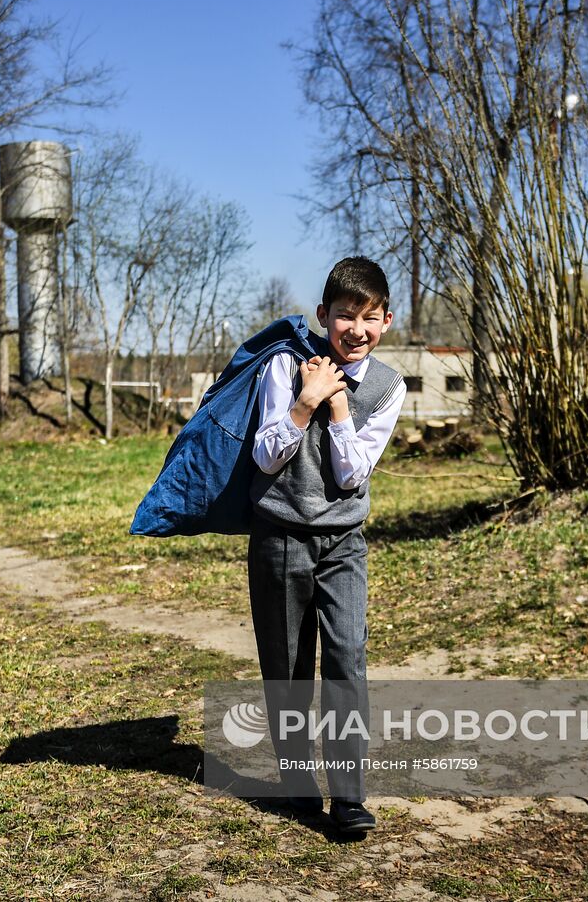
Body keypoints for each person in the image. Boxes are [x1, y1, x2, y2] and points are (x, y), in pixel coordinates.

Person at [248, 256, 405, 834]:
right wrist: (305, 399)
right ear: (323, 315)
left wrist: (338, 406)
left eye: (369, 318)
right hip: (280, 536)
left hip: (343, 542)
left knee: (346, 660)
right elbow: (265, 455)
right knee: (287, 666)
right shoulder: (284, 366)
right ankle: (296, 781)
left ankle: (348, 798)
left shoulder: (388, 386)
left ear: (386, 321)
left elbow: (351, 476)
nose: (356, 330)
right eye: (345, 316)